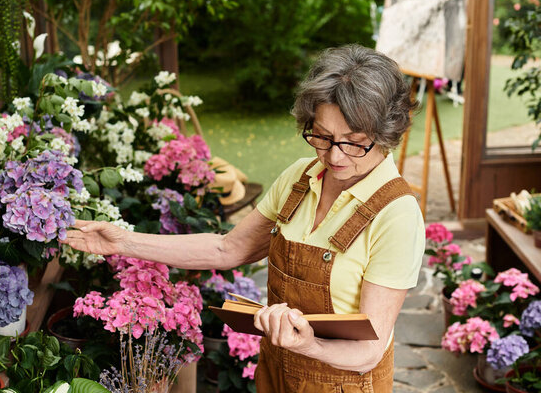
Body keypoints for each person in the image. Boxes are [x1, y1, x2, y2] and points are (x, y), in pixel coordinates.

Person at [62, 44, 425, 393]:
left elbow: (369, 352)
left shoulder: (397, 215)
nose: (334, 156)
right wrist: (123, 241)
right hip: (275, 371)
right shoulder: (301, 178)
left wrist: (308, 345)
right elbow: (226, 249)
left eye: (353, 141)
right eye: (322, 136)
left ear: (386, 133)